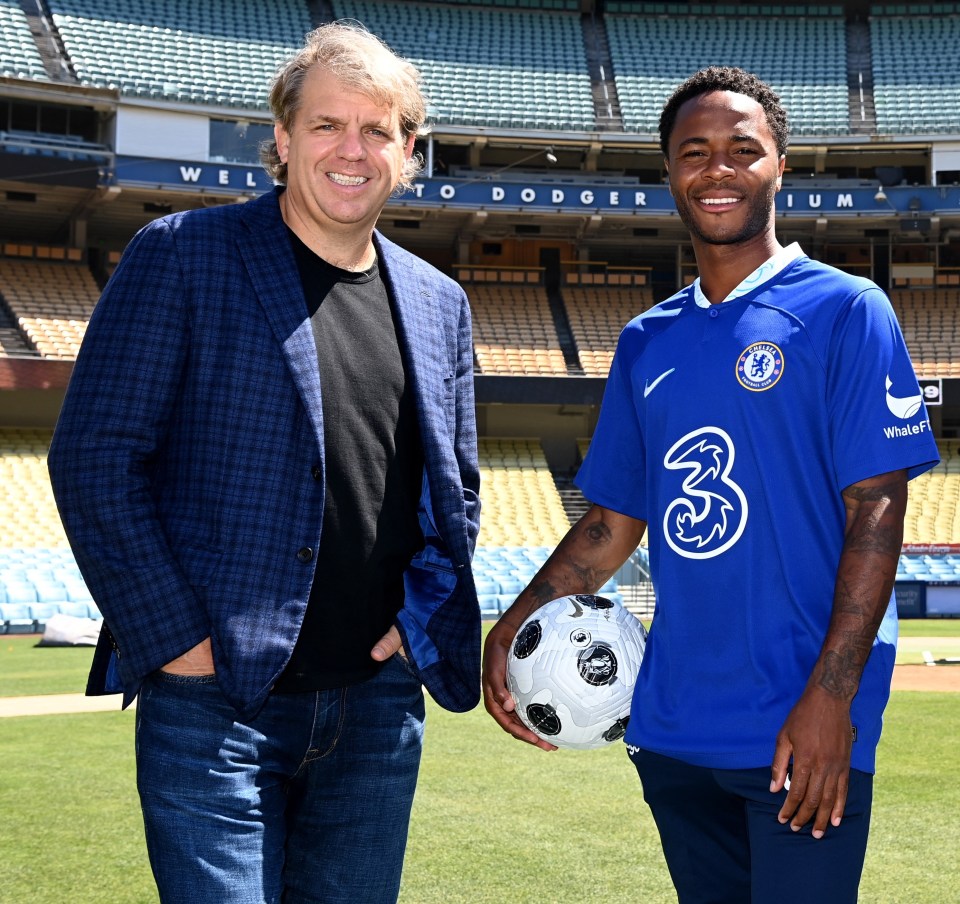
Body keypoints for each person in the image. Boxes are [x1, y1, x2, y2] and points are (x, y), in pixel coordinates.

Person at [48, 22, 481, 904]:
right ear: (282, 141)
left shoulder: (440, 302)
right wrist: (180, 646)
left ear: (407, 151)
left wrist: (412, 626)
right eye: (327, 125)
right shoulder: (181, 256)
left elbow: (458, 490)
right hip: (216, 707)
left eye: (377, 130)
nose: (351, 150)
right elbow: (95, 460)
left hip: (374, 708)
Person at [482, 67, 938, 904]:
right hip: (674, 728)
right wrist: (515, 624)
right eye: (694, 152)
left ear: (780, 165)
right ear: (669, 172)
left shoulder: (847, 309)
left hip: (802, 729)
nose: (717, 169)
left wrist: (832, 702)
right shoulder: (646, 341)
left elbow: (876, 509)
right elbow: (611, 522)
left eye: (742, 149)